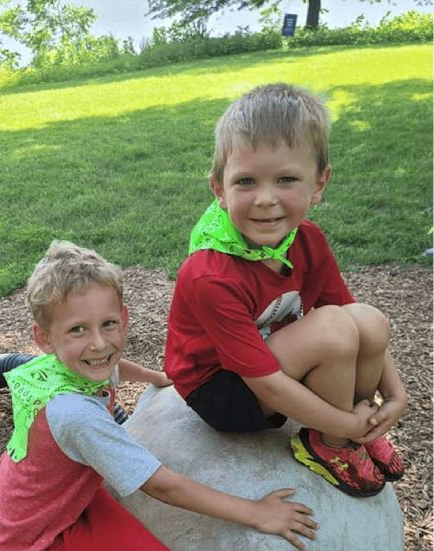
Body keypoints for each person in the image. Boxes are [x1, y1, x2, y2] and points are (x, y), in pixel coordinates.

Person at [0, 240, 317, 551]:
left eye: (108, 325)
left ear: (125, 316)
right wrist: (254, 512)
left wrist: (159, 378)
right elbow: (162, 486)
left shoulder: (60, 366)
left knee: (59, 451)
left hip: (25, 492)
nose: (98, 343)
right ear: (44, 338)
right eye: (78, 330)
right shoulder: (78, 416)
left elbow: (112, 366)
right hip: (39, 534)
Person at [165, 82, 407, 498]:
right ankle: (329, 443)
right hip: (223, 390)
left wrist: (395, 395)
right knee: (333, 329)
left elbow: (352, 316)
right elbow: (266, 385)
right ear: (219, 189)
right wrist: (341, 424)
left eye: (286, 179)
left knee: (367, 320)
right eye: (245, 182)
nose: (265, 199)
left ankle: (355, 427)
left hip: (272, 358)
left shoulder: (306, 238)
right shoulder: (209, 274)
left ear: (319, 183)